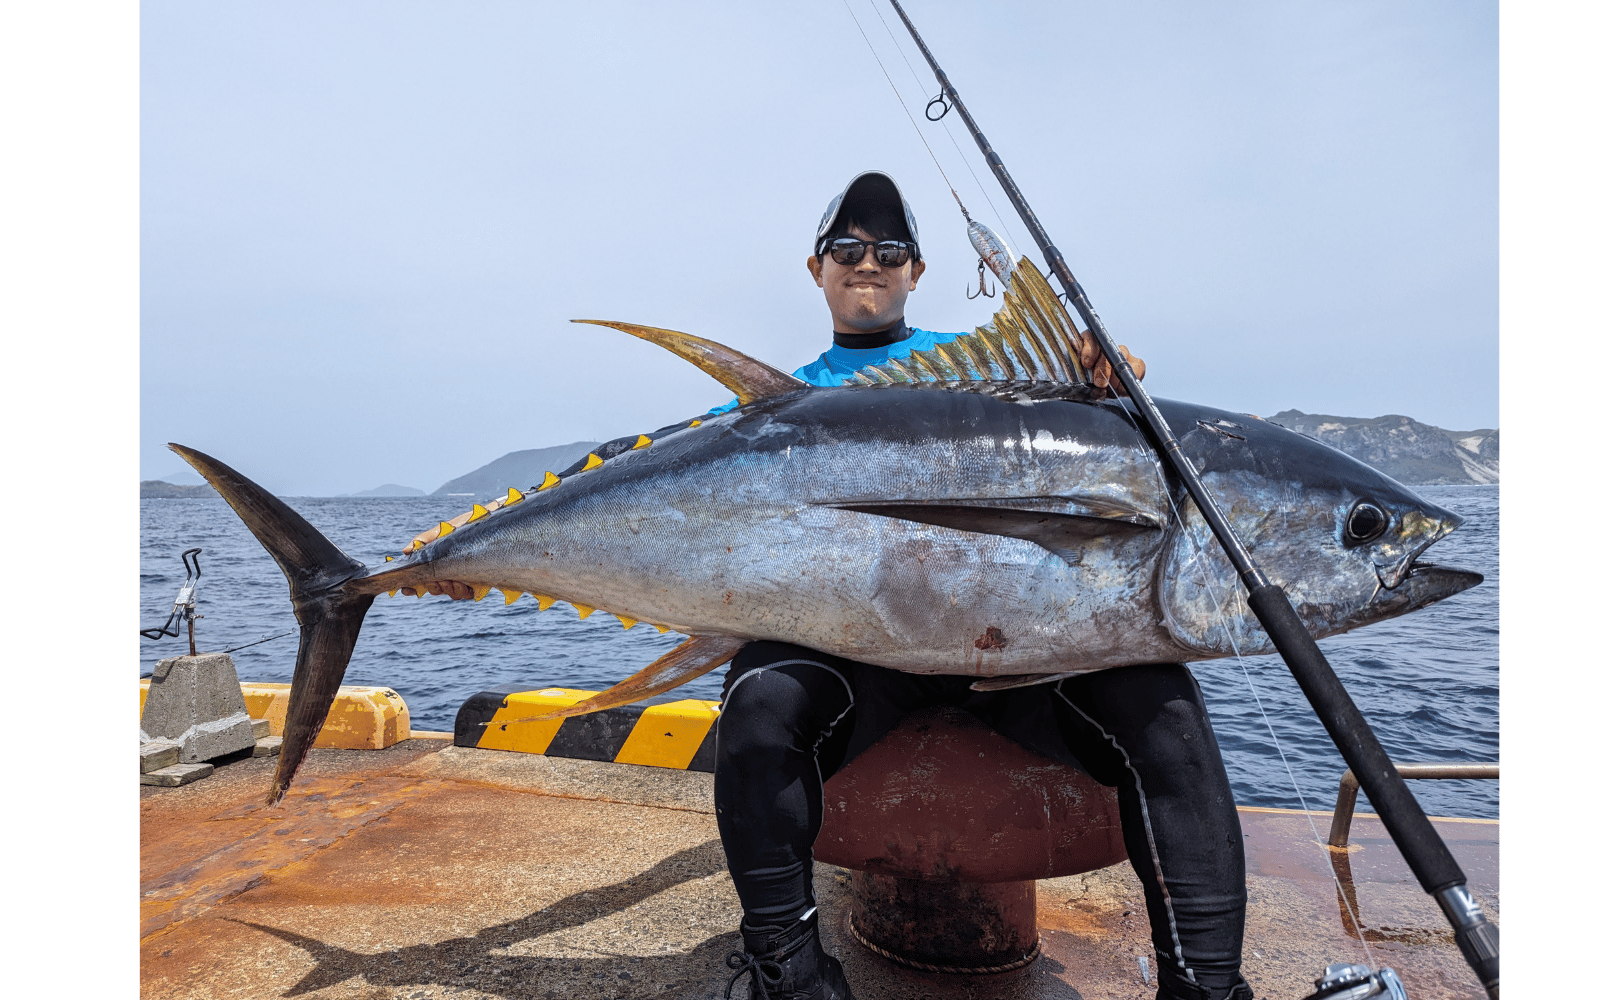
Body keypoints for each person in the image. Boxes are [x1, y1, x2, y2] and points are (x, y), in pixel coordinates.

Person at [448, 172, 1254, 1000]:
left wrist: (1101, 377)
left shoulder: (1008, 384)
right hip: (859, 665)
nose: (869, 261)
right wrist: (470, 561)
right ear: (816, 268)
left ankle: (1207, 990)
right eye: (848, 247)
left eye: (891, 248)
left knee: (1166, 705)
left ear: (917, 272)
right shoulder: (775, 407)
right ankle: (789, 979)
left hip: (1029, 666)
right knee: (758, 701)